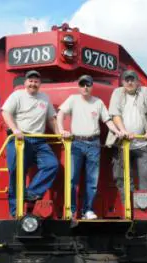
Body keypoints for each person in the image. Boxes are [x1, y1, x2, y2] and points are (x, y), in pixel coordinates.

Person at [57, 74, 123, 220]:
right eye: (82, 84)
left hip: (94, 144)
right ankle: (72, 210)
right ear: (79, 86)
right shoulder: (73, 100)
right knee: (72, 179)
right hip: (76, 143)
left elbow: (107, 120)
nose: (85, 87)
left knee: (92, 180)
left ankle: (88, 210)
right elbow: (60, 113)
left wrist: (117, 131)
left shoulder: (98, 102)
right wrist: (61, 129)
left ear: (92, 86)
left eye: (88, 84)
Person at [1, 70, 59, 217]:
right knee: (15, 172)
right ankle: (15, 212)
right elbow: (5, 112)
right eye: (30, 81)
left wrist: (59, 134)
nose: (33, 83)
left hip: (39, 140)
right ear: (25, 82)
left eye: (36, 81)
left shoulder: (45, 98)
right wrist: (15, 129)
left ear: (40, 84)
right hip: (20, 139)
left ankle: (32, 192)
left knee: (52, 164)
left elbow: (51, 119)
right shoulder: (17, 95)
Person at [105, 70, 147, 217]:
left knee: (145, 174)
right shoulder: (117, 93)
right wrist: (123, 131)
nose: (129, 82)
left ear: (137, 82)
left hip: (141, 145)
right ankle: (129, 208)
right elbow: (115, 114)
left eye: (132, 80)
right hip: (122, 143)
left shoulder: (145, 92)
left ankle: (146, 209)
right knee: (121, 177)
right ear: (122, 82)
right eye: (126, 80)